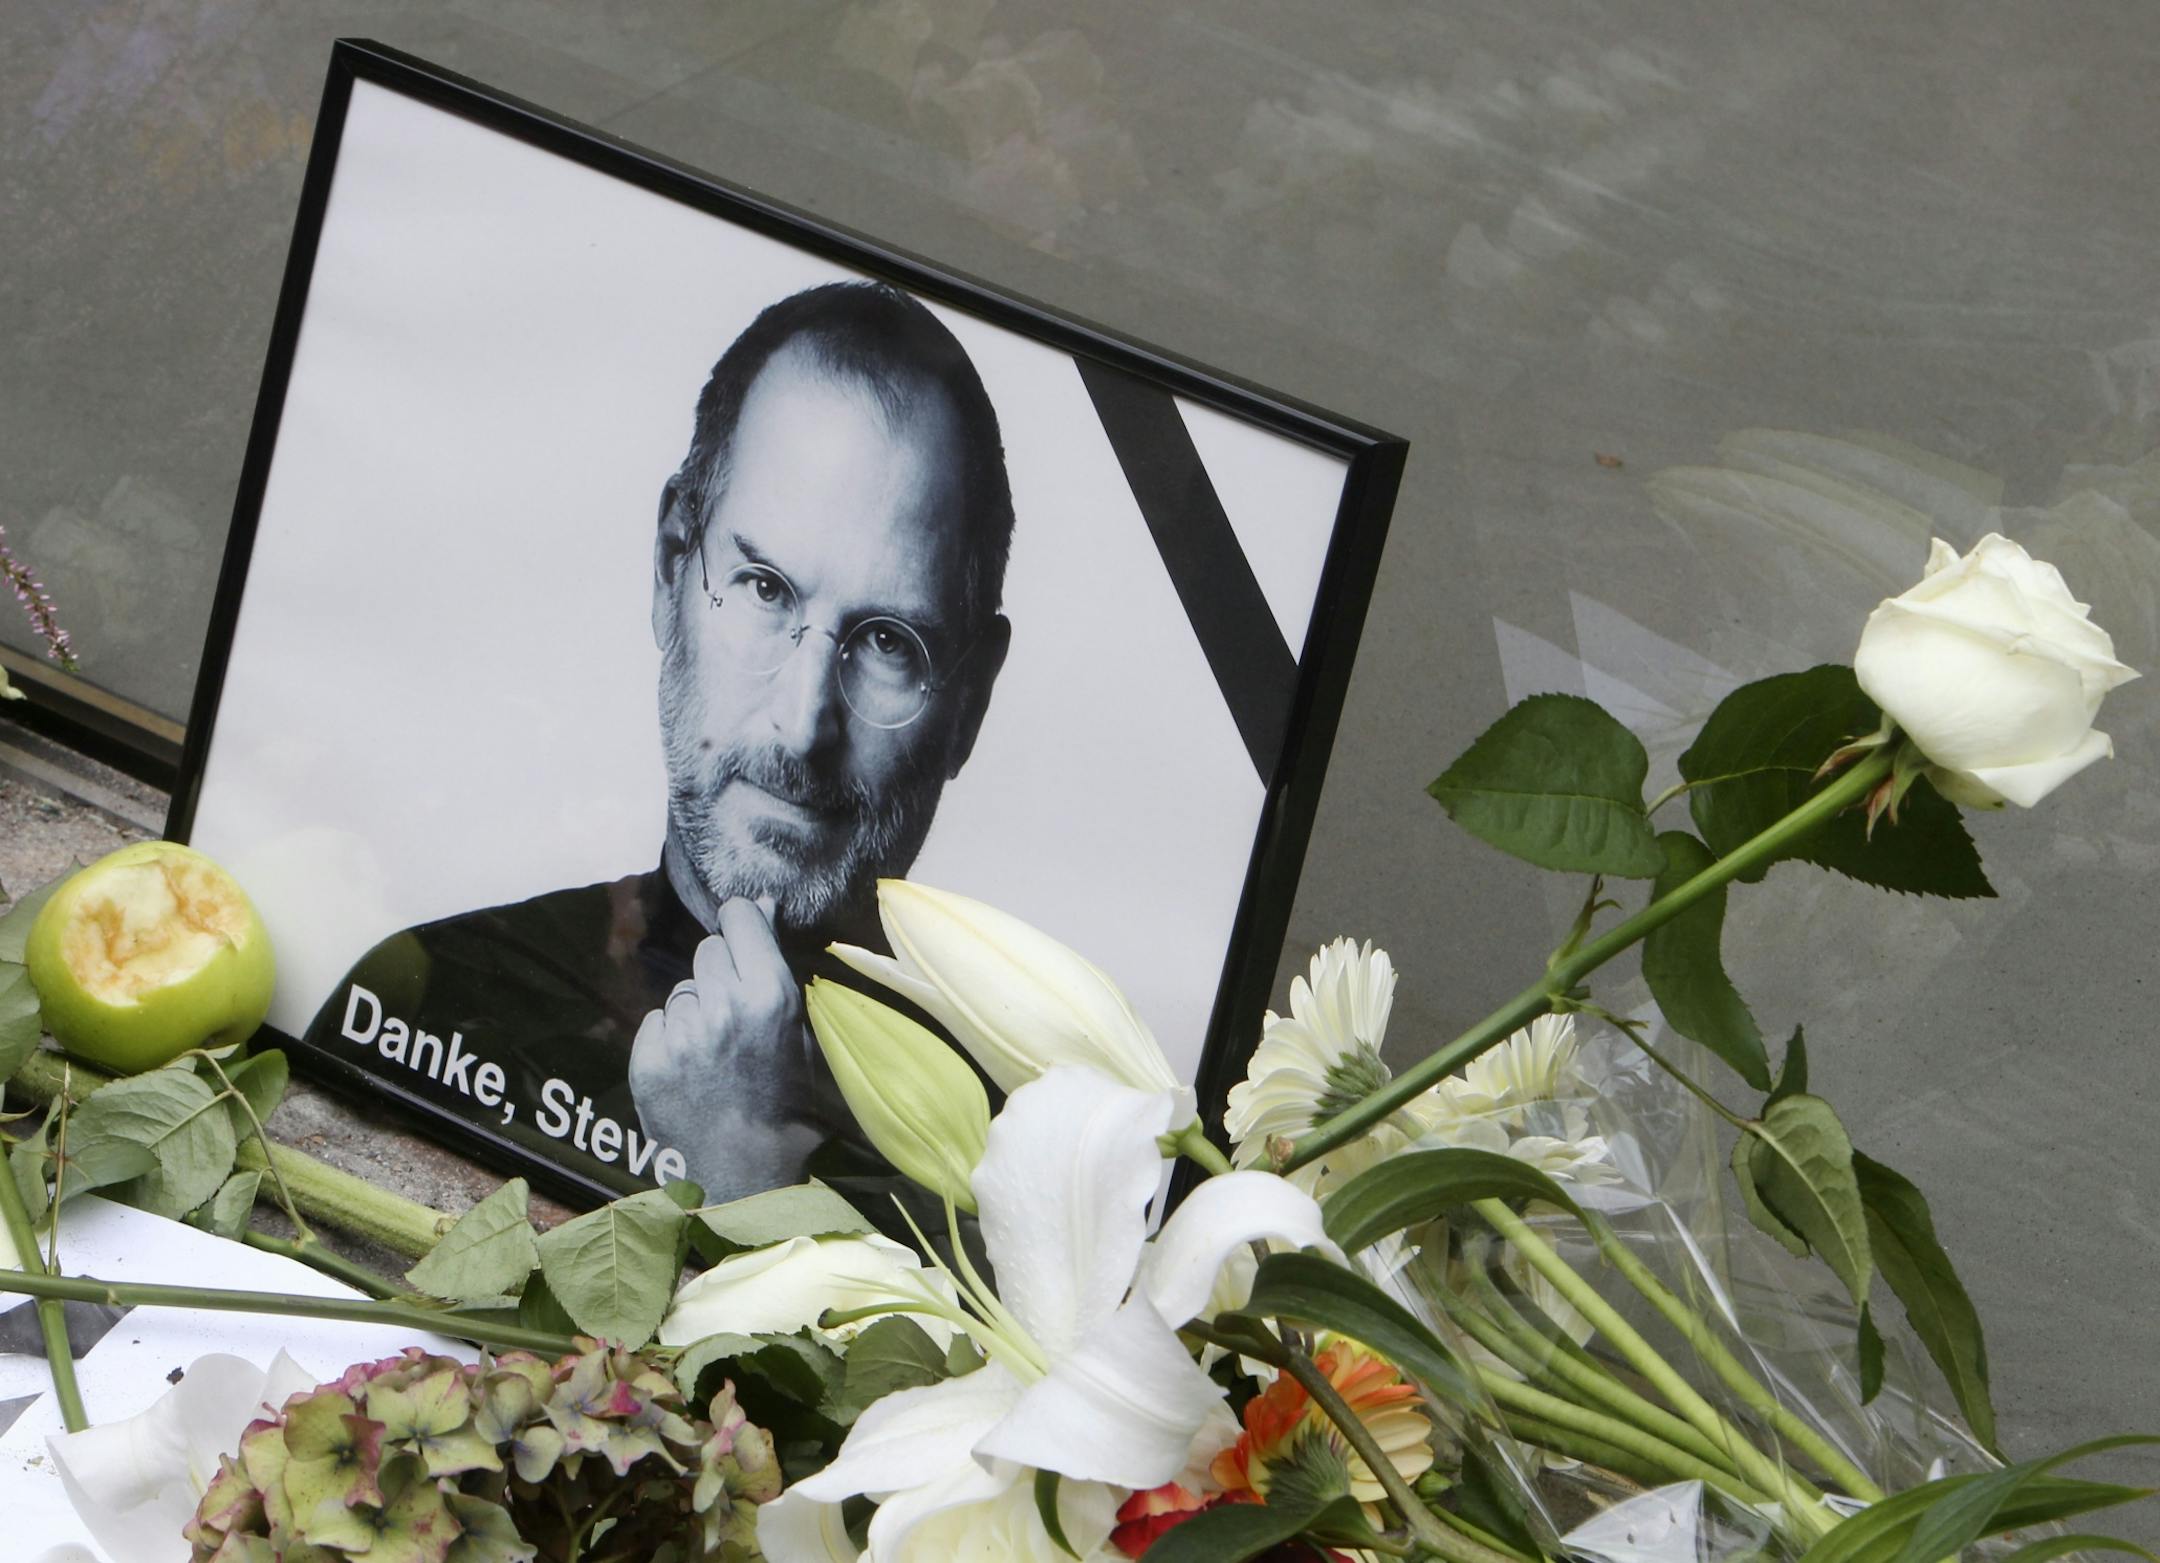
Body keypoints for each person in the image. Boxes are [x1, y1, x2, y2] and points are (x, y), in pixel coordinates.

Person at [303, 280, 1014, 1202]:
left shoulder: (1019, 1174)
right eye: (764, 588)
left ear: (970, 701)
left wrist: (744, 1175)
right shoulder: (437, 1000)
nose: (804, 724)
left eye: (888, 641)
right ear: (672, 566)